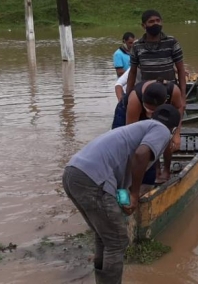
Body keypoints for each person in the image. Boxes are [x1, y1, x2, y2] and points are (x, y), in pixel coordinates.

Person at [63, 104, 181, 284]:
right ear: (173, 129)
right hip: (93, 178)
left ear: (151, 115)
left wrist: (124, 199)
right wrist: (134, 195)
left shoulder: (137, 129)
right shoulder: (162, 130)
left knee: (104, 237)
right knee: (117, 242)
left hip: (74, 173)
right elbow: (141, 155)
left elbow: (118, 176)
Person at [112, 80, 184, 184]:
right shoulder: (135, 99)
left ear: (165, 101)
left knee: (165, 135)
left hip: (159, 111)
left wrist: (177, 134)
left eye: (153, 112)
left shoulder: (173, 91)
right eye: (148, 110)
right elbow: (131, 136)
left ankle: (165, 171)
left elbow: (179, 109)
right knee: (124, 147)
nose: (149, 114)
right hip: (128, 112)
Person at [126, 10, 186, 101]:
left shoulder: (171, 42)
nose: (156, 24)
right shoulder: (137, 46)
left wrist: (183, 96)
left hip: (170, 92)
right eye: (151, 21)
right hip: (147, 93)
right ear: (143, 26)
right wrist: (128, 97)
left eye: (158, 20)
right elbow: (132, 73)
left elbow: (181, 70)